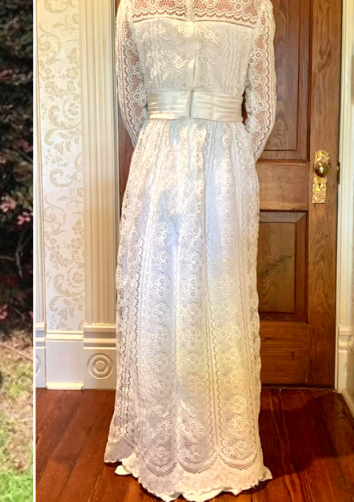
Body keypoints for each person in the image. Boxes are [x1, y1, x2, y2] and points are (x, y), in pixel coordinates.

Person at [105, 0, 276, 500]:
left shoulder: (253, 7)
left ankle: (216, 442)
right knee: (163, 297)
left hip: (192, 166)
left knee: (210, 298)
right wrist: (208, 153)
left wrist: (204, 154)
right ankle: (162, 440)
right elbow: (132, 99)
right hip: (186, 165)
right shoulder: (133, 7)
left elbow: (261, 109)